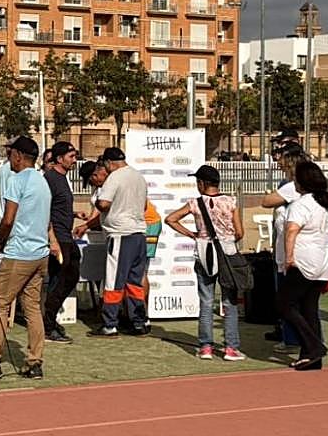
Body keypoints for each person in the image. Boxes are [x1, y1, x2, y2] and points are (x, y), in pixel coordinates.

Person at [0, 136, 59, 379]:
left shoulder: (17, 180)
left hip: (19, 253)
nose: (9, 158)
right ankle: (34, 361)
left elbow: (8, 218)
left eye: (10, 154)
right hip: (40, 255)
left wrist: (0, 240)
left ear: (18, 155)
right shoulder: (42, 182)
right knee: (32, 308)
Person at [165, 164, 246, 361]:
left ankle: (206, 347)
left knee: (206, 300)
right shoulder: (230, 201)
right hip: (227, 253)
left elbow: (171, 219)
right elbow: (240, 232)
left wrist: (194, 235)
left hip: (204, 253)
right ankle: (231, 347)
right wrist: (228, 239)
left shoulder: (195, 203)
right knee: (229, 301)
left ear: (202, 183)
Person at [280, 161, 328, 371]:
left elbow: (291, 231)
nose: (293, 181)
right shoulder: (326, 205)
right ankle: (311, 356)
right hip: (322, 262)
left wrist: (288, 258)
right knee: (309, 308)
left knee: (284, 305)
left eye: (296, 177)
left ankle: (314, 346)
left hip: (303, 261)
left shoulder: (301, 204)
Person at [89, 146, 149, 337]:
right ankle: (138, 322)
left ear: (109, 163)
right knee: (134, 282)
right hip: (139, 234)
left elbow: (104, 203)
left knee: (114, 281)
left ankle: (110, 324)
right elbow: (145, 205)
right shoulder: (138, 177)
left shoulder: (115, 177)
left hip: (121, 235)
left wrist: (98, 203)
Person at [259, 148, 307, 352]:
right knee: (303, 302)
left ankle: (294, 339)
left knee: (289, 300)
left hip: (290, 253)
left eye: (282, 160)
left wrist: (272, 195)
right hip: (293, 250)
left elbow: (266, 201)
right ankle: (302, 339)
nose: (278, 163)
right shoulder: (304, 188)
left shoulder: (291, 187)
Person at [42, 141, 80, 343]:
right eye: (71, 157)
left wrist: (74, 213)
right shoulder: (50, 179)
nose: (74, 160)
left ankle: (50, 319)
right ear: (59, 159)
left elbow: (59, 206)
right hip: (57, 237)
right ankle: (47, 327)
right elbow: (45, 209)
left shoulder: (63, 179)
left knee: (72, 276)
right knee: (59, 280)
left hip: (66, 235)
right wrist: (52, 240)